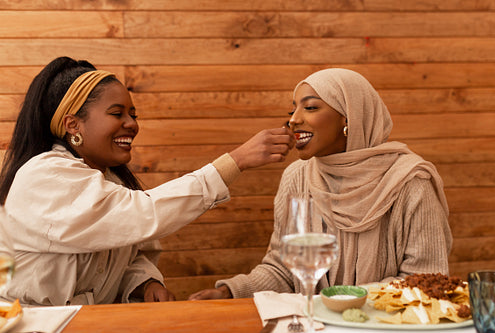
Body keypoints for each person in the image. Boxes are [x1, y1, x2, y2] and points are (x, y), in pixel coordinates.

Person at [0, 56, 294, 306]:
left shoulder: (111, 181)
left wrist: (143, 283)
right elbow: (139, 215)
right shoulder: (43, 176)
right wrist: (236, 161)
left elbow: (124, 250)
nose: (132, 123)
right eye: (117, 113)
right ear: (73, 125)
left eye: (133, 114)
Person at [189, 68, 453, 300]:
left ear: (348, 118)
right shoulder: (298, 177)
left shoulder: (411, 181)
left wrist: (343, 304)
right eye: (293, 109)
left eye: (311, 107)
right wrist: (231, 292)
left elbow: (425, 279)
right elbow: (284, 270)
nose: (294, 119)